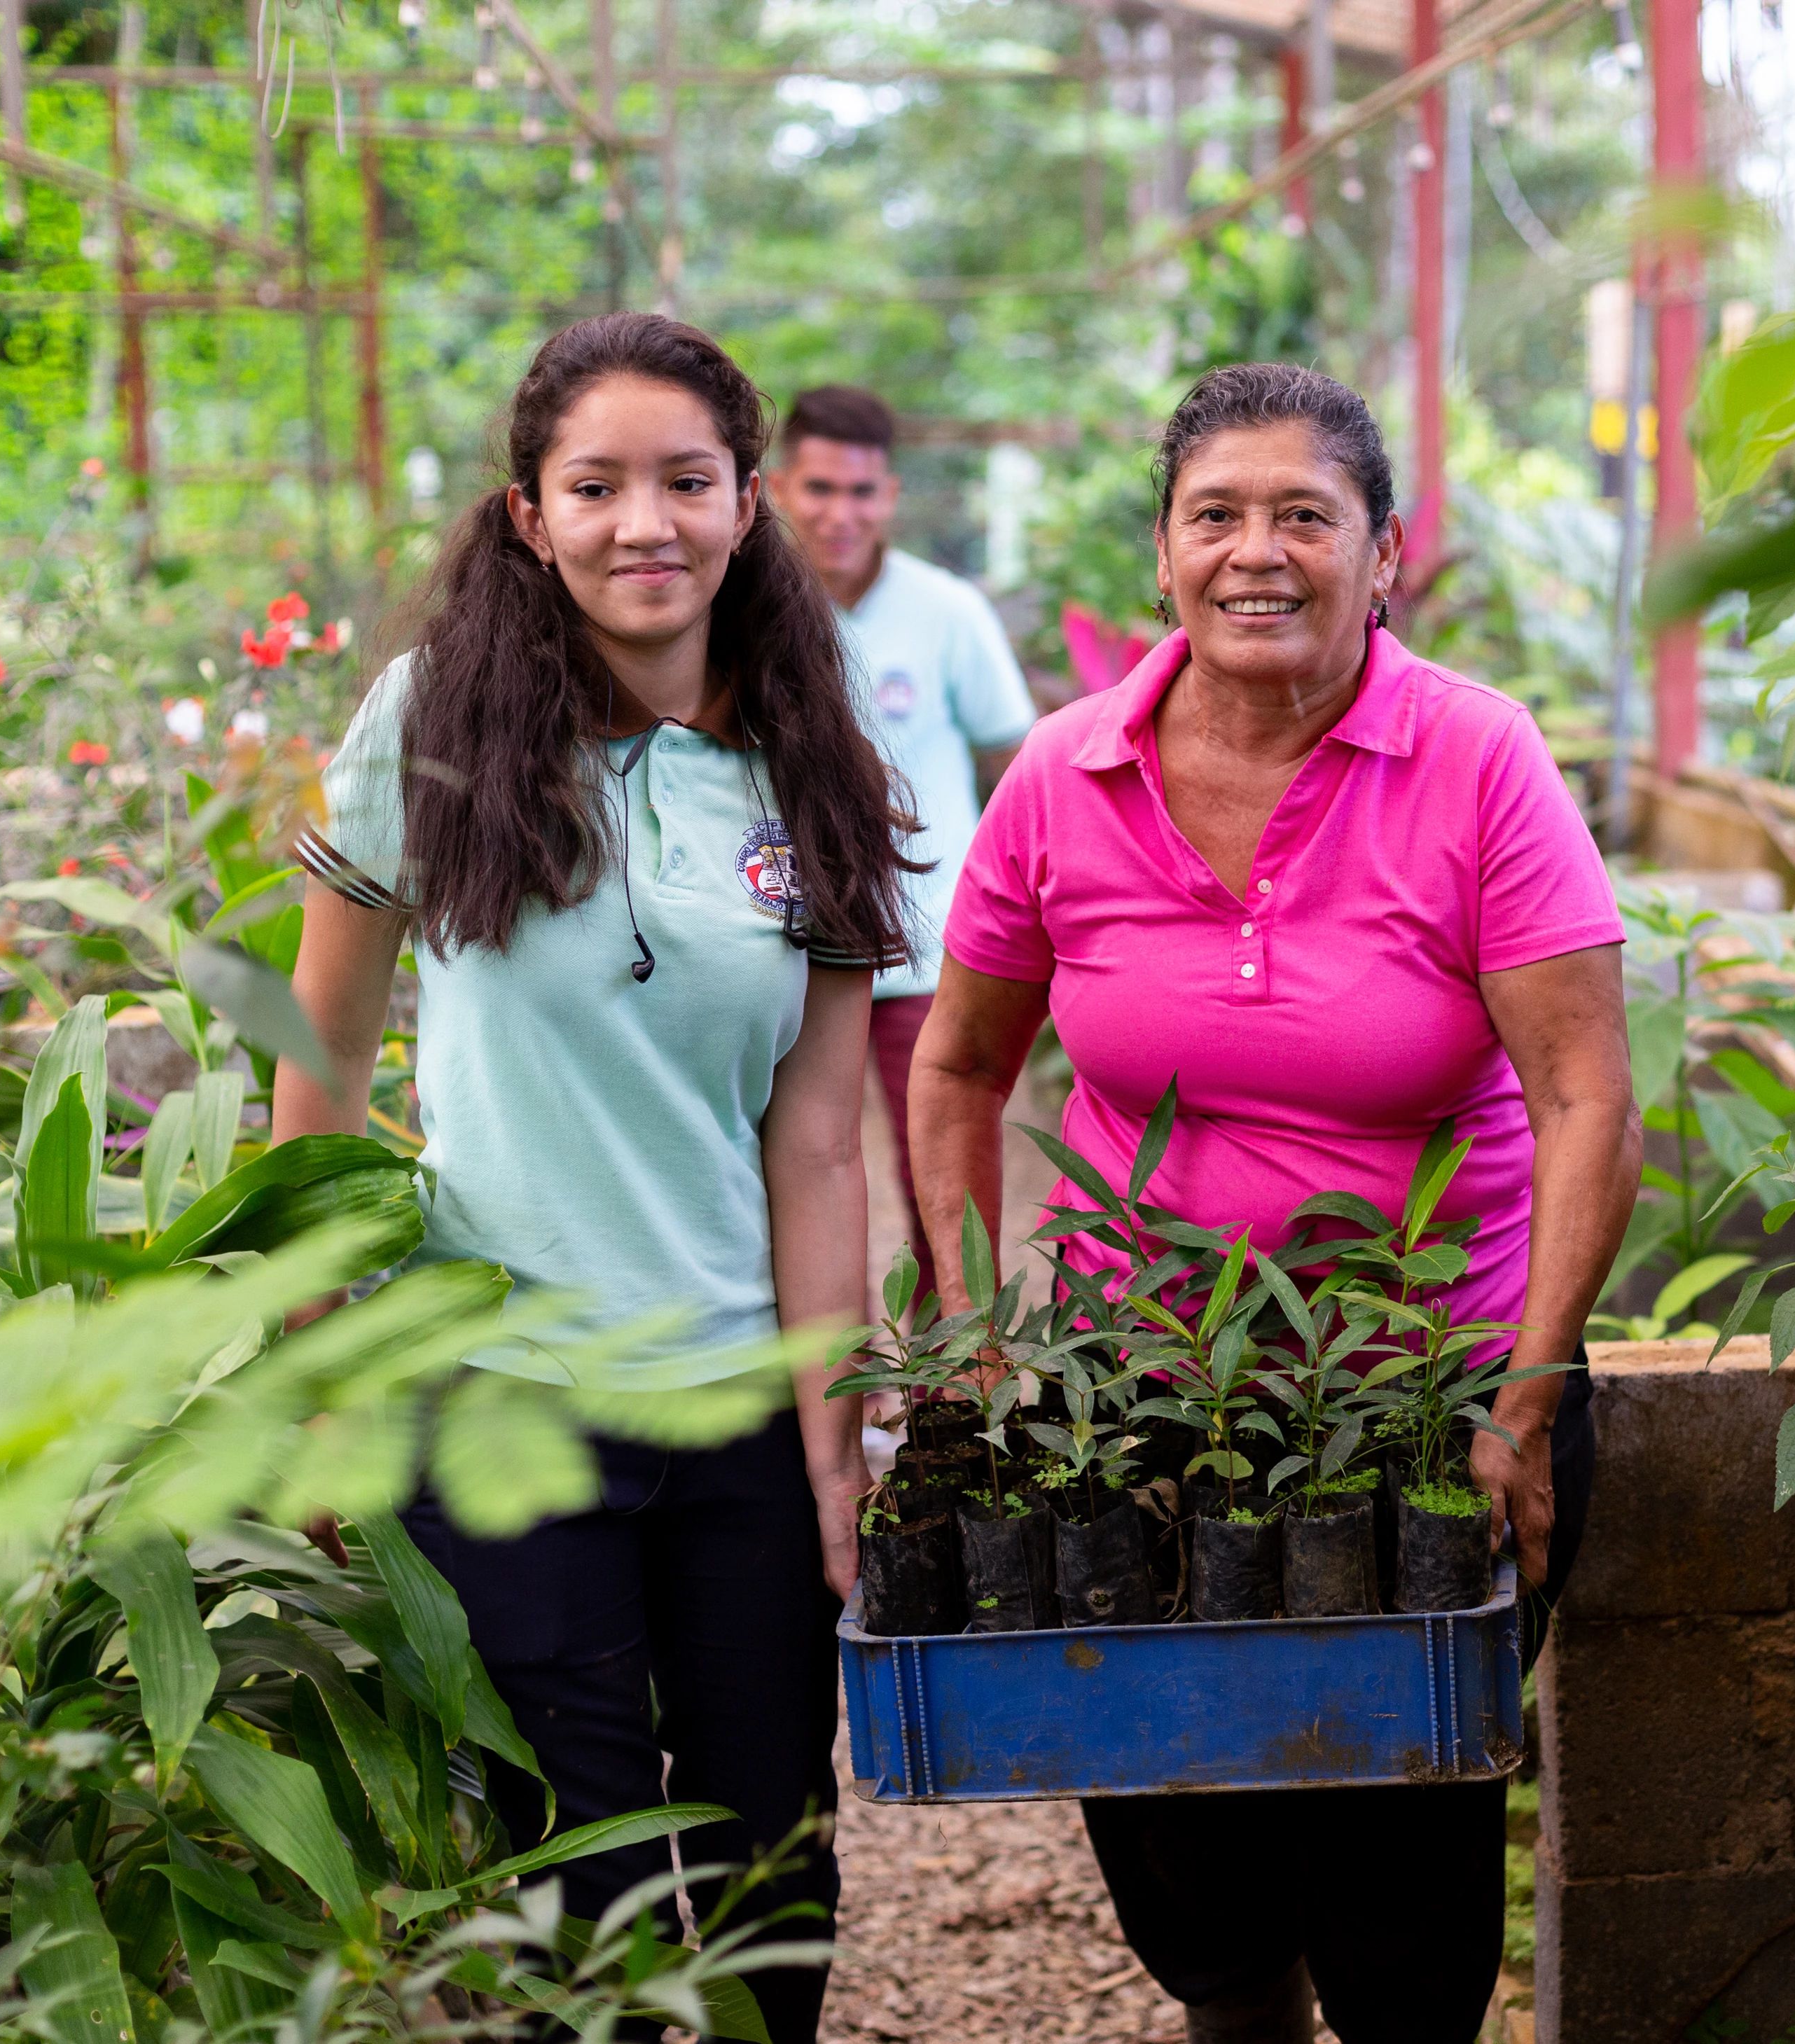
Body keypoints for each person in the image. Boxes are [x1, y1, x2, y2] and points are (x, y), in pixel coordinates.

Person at [905, 362, 1639, 2044]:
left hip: (1431, 1387)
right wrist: (959, 1337)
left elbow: (1586, 1089)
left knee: (1396, 1841)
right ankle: (1232, 2011)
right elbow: (954, 1065)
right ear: (1160, 553)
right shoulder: (1061, 775)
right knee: (1175, 1817)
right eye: (1214, 513)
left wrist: (1524, 1396)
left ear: (1383, 557)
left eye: (1305, 514)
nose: (1258, 550)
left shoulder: (1473, 760)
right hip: (1135, 1384)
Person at [276, 312, 911, 2044]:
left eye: (687, 481)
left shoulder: (818, 774)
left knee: (776, 1849)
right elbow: (320, 1064)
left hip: (732, 1405)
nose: (648, 521)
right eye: (598, 484)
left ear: (747, 503)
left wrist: (831, 1430)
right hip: (502, 1396)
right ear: (526, 515)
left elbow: (819, 1138)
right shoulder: (435, 728)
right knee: (580, 1871)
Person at [770, 385, 1036, 1309]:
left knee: (941, 1173)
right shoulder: (743, 611)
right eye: (819, 489)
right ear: (774, 488)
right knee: (794, 1170)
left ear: (889, 495)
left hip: (926, 951)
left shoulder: (945, 610)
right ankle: (815, 1380)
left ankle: (948, 1386)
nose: (841, 514)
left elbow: (1019, 762)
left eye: (862, 492)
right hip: (783, 951)